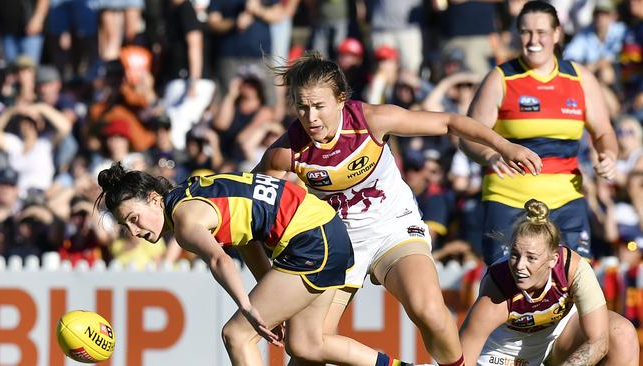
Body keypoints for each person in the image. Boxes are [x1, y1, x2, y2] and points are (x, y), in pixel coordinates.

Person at [254, 51, 542, 366]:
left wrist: (505, 146)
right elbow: (249, 219)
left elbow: (449, 122)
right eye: (302, 107)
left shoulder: (372, 120)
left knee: (429, 310)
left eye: (319, 106)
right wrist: (273, 293)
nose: (311, 119)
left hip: (393, 228)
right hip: (336, 244)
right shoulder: (284, 153)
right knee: (305, 346)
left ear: (340, 99)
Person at [95, 163, 413, 366]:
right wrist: (274, 305)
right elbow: (245, 240)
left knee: (236, 335)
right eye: (127, 227)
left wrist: (248, 307)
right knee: (306, 346)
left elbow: (220, 260)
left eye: (134, 219)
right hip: (327, 231)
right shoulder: (192, 191)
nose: (135, 231)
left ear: (154, 198)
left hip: (311, 240)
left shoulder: (184, 221)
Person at [460, 0, 618, 265]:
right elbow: (467, 136)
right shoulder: (501, 78)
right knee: (505, 289)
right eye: (525, 32)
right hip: (508, 199)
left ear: (557, 34)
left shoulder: (580, 79)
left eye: (541, 32)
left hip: (566, 201)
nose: (533, 40)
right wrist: (490, 155)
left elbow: (603, 131)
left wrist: (609, 155)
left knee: (577, 288)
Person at [459, 199, 639, 366]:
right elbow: (464, 355)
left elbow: (599, 341)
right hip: (504, 355)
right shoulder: (498, 286)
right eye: (515, 255)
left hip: (558, 339)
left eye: (531, 258)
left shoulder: (573, 268)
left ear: (553, 259)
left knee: (622, 334)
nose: (520, 266)